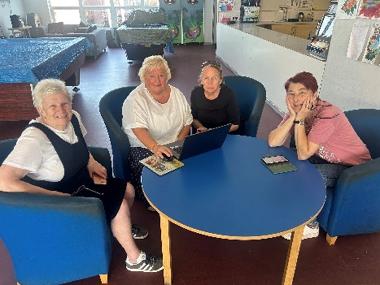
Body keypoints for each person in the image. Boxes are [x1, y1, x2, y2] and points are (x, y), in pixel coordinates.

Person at [0, 79, 163, 272]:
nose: (61, 110)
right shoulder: (34, 139)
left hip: (81, 180)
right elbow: (4, 180)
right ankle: (134, 259)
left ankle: (120, 227)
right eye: (52, 106)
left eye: (64, 103)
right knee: (118, 206)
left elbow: (82, 147)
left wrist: (91, 162)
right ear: (40, 109)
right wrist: (50, 196)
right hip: (60, 195)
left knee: (127, 189)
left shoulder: (74, 118)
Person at [268, 71, 371, 239]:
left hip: (353, 168)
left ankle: (311, 225)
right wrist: (293, 116)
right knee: (281, 159)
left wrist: (299, 119)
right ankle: (287, 203)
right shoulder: (298, 110)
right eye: (291, 94)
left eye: (302, 93)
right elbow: (273, 141)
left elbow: (303, 154)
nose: (296, 99)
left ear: (314, 95)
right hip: (324, 157)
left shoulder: (327, 114)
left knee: (308, 176)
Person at [122, 55, 193, 204]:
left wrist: (179, 141)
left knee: (195, 166)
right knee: (156, 175)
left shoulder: (177, 94)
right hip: (145, 146)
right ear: (144, 78)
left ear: (167, 76)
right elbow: (138, 129)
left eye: (161, 75)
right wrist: (156, 147)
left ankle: (182, 195)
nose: (157, 80)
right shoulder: (135, 99)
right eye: (151, 76)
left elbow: (187, 121)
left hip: (174, 143)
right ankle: (157, 202)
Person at [190, 60, 240, 133]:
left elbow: (235, 125)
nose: (210, 82)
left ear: (220, 81)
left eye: (215, 78)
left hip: (223, 134)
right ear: (201, 81)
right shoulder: (196, 93)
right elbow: (193, 118)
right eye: (206, 78)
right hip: (202, 134)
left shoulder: (228, 94)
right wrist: (201, 127)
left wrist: (216, 132)